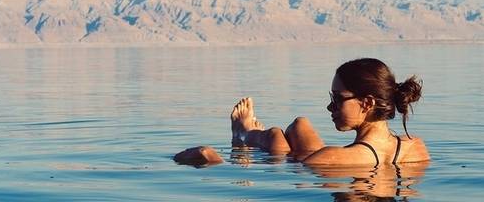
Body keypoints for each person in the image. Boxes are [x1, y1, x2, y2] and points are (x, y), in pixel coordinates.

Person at [174, 58, 430, 166]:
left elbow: (292, 170)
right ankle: (249, 132)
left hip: (320, 162)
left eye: (338, 100)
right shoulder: (416, 147)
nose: (330, 108)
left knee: (276, 140)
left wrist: (208, 158)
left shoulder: (330, 157)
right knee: (300, 124)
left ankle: (243, 134)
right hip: (351, 158)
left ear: (367, 103)